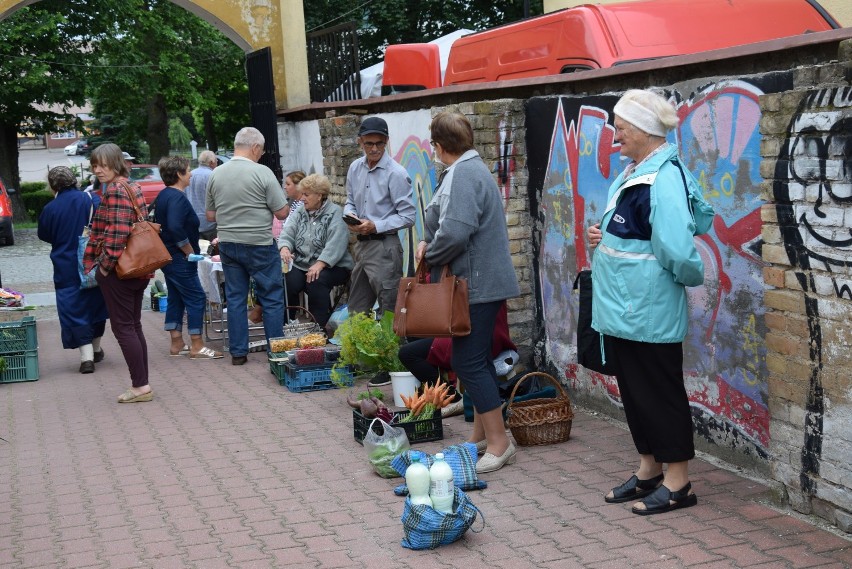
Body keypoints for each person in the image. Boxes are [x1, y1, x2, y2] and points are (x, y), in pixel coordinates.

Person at [587, 89, 708, 515]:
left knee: (660, 392)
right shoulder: (636, 172)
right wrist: (604, 237)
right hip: (625, 308)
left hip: (648, 310)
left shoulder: (663, 177)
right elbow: (635, 232)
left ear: (642, 130)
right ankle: (648, 469)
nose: (615, 136)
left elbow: (677, 250)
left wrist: (686, 279)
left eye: (620, 129)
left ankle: (678, 482)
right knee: (637, 394)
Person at [418, 111, 520, 474]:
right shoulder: (469, 169)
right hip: (480, 282)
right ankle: (481, 435)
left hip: (476, 284)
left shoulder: (463, 173)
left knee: (468, 362)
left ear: (439, 145)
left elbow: (457, 231)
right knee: (475, 359)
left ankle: (499, 443)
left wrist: (428, 252)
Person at [206, 127, 288, 365]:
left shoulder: (216, 173)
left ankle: (238, 352)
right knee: (271, 297)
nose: (261, 155)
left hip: (229, 243)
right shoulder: (262, 172)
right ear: (254, 147)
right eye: (260, 150)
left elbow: (210, 215)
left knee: (235, 298)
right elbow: (282, 212)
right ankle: (277, 351)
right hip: (259, 243)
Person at [343, 116, 415, 386]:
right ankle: (363, 362)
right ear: (360, 142)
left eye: (380, 144)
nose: (374, 149)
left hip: (385, 246)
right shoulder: (355, 168)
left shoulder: (396, 173)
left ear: (386, 143)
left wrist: (376, 225)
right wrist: (349, 216)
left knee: (388, 309)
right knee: (357, 306)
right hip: (361, 246)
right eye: (369, 143)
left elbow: (408, 216)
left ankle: (392, 364)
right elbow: (350, 201)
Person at [83, 143, 153, 403]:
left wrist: (104, 266)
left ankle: (140, 386)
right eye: (95, 165)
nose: (98, 170)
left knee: (124, 328)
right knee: (133, 326)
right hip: (138, 266)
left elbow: (118, 232)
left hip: (121, 270)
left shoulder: (114, 189)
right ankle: (142, 383)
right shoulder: (131, 185)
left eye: (103, 164)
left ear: (115, 163)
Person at [38, 166, 109, 374]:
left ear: (53, 185)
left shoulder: (50, 208)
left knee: (74, 308)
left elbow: (44, 235)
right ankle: (96, 349)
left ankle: (86, 357)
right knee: (96, 303)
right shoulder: (91, 200)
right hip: (92, 261)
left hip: (65, 265)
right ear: (73, 181)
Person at [154, 155, 223, 360]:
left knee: (176, 297)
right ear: (178, 174)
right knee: (196, 297)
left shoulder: (164, 194)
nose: (191, 173)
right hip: (179, 258)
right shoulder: (176, 197)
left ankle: (176, 342)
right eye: (187, 170)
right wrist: (188, 251)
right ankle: (197, 345)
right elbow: (175, 226)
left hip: (169, 256)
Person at [398, 301, 516, 419]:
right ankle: (448, 397)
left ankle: (451, 396)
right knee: (415, 339)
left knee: (409, 353)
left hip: (474, 333)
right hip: (477, 329)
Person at [277, 174, 353, 327]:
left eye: (306, 194)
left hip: (334, 265)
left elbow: (336, 243)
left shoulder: (335, 212)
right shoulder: (300, 212)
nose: (302, 198)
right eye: (302, 194)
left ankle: (318, 329)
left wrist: (321, 263)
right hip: (302, 263)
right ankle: (286, 326)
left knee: (316, 281)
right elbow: (287, 232)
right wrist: (285, 248)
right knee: (287, 281)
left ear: (319, 196)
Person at [186, 150, 218, 241]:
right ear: (211, 162)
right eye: (216, 161)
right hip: (209, 223)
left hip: (192, 221)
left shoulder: (190, 174)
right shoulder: (212, 176)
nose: (217, 163)